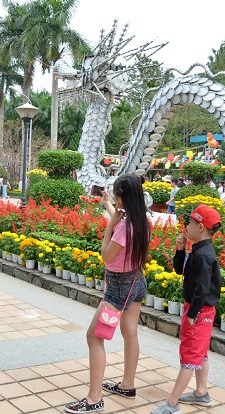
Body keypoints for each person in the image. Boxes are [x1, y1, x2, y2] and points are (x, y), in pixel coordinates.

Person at [65, 174, 149, 413]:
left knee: (95, 337)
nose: (113, 196)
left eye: (114, 194)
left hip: (117, 289)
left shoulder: (122, 227)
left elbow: (106, 255)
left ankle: (94, 399)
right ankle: (128, 385)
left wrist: (110, 226)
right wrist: (108, 206)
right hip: (136, 282)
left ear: (122, 197)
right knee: (130, 333)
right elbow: (123, 223)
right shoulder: (141, 220)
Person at [150, 205, 222, 414]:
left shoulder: (203, 255)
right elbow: (179, 270)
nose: (186, 226)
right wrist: (180, 248)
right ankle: (201, 393)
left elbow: (203, 288)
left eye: (189, 222)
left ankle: (172, 403)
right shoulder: (198, 249)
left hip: (199, 312)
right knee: (200, 354)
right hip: (200, 310)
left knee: (190, 356)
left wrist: (192, 314)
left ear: (200, 227)